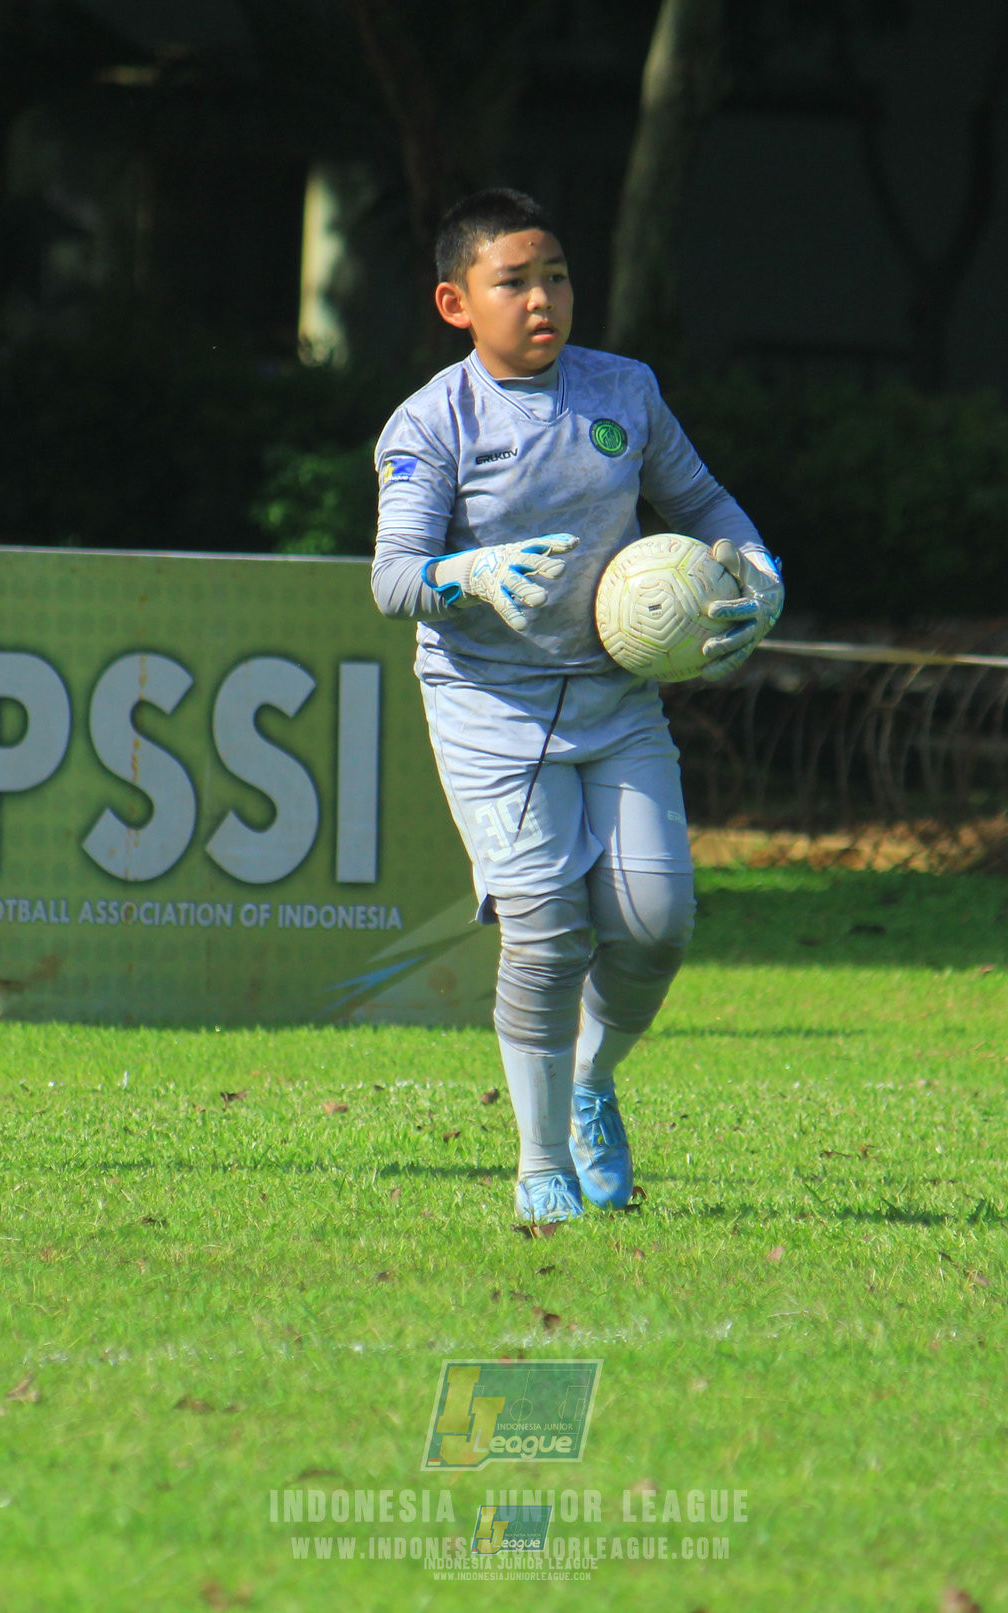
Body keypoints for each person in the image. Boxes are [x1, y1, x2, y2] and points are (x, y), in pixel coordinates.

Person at [369, 189, 783, 1223]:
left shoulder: (625, 390)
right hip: (488, 705)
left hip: (614, 696)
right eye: (513, 282)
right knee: (548, 931)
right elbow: (393, 577)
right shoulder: (431, 421)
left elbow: (705, 507)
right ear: (455, 302)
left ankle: (593, 1083)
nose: (542, 298)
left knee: (656, 921)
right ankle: (540, 1157)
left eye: (554, 274)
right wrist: (471, 571)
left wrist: (761, 573)